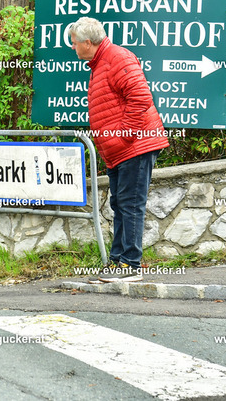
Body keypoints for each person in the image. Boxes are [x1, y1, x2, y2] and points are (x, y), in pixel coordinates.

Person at [68, 17, 169, 283]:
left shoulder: (117, 58)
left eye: (74, 43)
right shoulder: (101, 61)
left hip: (134, 146)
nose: (73, 47)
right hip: (119, 151)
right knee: (120, 204)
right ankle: (117, 262)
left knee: (130, 204)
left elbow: (141, 99)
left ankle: (130, 266)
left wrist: (123, 138)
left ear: (87, 42)